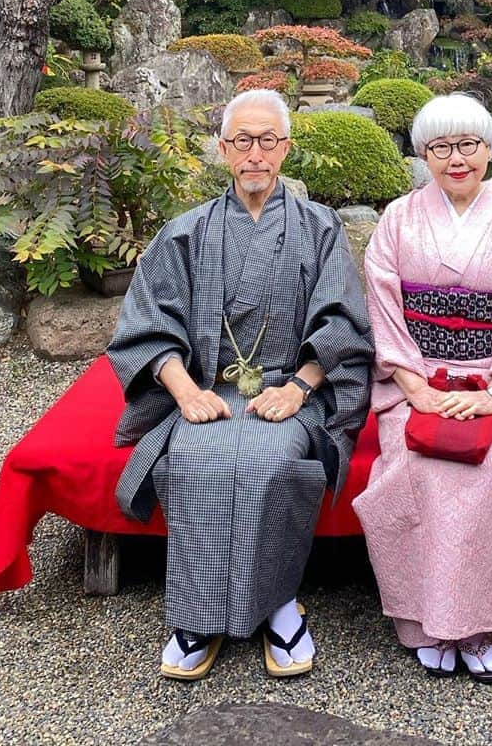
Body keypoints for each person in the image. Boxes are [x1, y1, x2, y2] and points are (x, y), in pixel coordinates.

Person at [107, 89, 374, 681]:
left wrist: (301, 389)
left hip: (287, 390)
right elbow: (148, 322)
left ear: (286, 148)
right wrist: (184, 393)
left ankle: (278, 604)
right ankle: (198, 617)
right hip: (205, 388)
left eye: (269, 141)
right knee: (193, 458)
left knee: (273, 460)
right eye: (243, 141)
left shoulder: (319, 227)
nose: (256, 153)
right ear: (223, 149)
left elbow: (343, 323)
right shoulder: (186, 231)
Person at [353, 93, 492, 683]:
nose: (456, 159)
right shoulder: (398, 219)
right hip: (419, 380)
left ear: (488, 149)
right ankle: (426, 623)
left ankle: (478, 625)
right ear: (425, 155)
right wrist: (412, 385)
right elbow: (384, 306)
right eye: (441, 148)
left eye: (468, 145)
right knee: (415, 468)